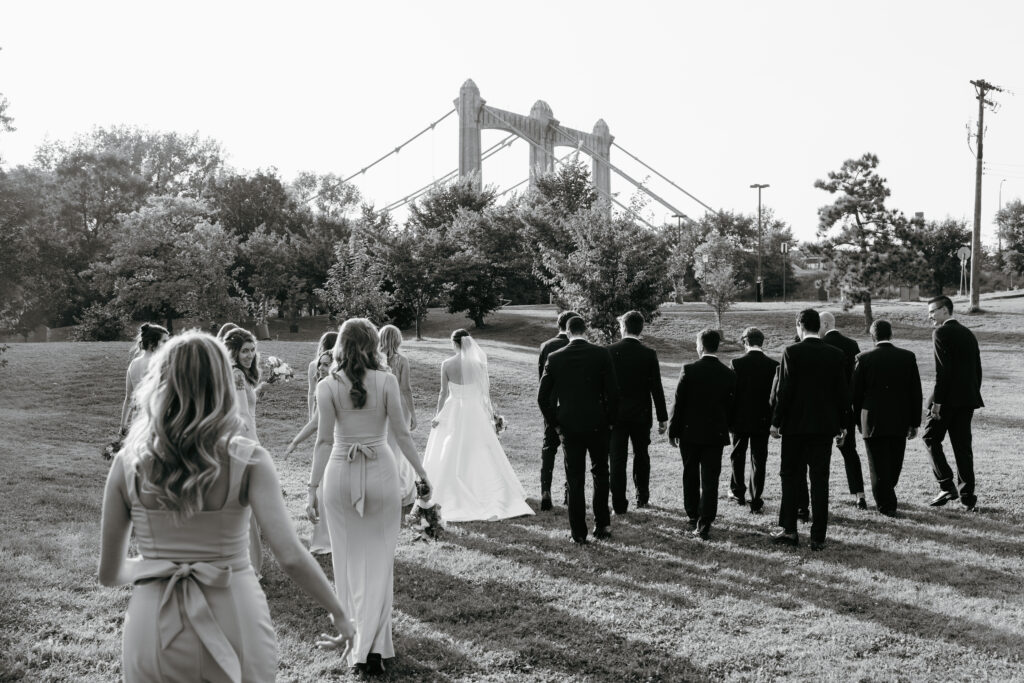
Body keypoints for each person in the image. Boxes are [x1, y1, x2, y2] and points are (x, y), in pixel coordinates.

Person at [98, 331, 354, 682]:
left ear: (160, 383)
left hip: (153, 624)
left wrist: (160, 565)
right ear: (221, 382)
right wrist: (339, 611)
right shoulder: (249, 459)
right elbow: (290, 555)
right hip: (235, 613)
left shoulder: (129, 462)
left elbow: (110, 574)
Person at [306, 318, 432, 675]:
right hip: (381, 471)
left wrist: (312, 489)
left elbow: (324, 441)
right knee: (379, 562)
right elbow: (403, 435)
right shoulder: (387, 380)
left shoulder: (327, 385)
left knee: (346, 564)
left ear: (341, 346)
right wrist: (421, 474)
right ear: (373, 344)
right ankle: (374, 646)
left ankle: (357, 643)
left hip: (339, 475)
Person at [422, 329, 534, 521]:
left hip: (454, 410)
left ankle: (451, 489)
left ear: (453, 343)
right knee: (481, 449)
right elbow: (485, 394)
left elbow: (442, 393)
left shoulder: (447, 364)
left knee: (450, 449)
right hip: (475, 411)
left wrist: (438, 415)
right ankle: (490, 490)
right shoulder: (479, 364)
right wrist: (491, 415)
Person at [770, 309, 849, 551]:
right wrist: (842, 425)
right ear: (819, 327)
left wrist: (776, 422)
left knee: (791, 476)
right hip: (824, 428)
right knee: (820, 480)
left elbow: (784, 391)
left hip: (795, 427)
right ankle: (818, 536)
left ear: (800, 326)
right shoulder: (836, 354)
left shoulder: (791, 352)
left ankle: (790, 530)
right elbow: (842, 394)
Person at [538, 316, 618, 544]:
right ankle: (602, 524)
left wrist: (555, 423)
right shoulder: (602, 354)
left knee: (575, 479)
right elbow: (613, 393)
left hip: (569, 426)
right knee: (601, 473)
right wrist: (610, 421)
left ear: (568, 332)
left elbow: (542, 397)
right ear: (586, 330)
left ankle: (578, 533)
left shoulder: (554, 358)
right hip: (598, 424)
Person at [668, 329, 736, 540]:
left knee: (690, 473)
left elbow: (678, 403)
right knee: (710, 478)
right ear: (718, 346)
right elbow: (731, 406)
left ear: (700, 345)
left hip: (689, 433)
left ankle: (692, 514)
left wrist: (673, 430)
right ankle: (706, 520)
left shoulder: (689, 370)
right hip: (715, 434)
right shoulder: (729, 374)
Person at [851, 320, 922, 516]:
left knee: (877, 465)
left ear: (872, 337)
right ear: (891, 334)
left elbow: (855, 395)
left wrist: (858, 420)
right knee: (894, 463)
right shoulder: (907, 357)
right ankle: (887, 503)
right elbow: (915, 392)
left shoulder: (863, 359)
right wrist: (915, 422)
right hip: (899, 418)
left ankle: (885, 501)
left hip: (871, 418)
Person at [923, 295, 984, 511]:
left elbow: (943, 371)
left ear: (945, 310)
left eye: (932, 311)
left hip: (947, 400)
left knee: (930, 437)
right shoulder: (968, 334)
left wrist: (937, 402)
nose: (929, 315)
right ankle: (968, 499)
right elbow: (977, 370)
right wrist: (971, 393)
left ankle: (946, 485)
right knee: (962, 448)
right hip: (967, 399)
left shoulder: (940, 332)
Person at [606, 310, 667, 512]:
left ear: (623, 327)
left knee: (617, 459)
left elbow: (603, 387)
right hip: (641, 415)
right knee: (642, 455)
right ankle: (642, 497)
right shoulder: (649, 354)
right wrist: (662, 418)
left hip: (615, 416)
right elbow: (656, 388)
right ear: (641, 329)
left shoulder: (609, 351)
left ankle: (618, 504)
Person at [222, 327, 265, 574]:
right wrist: (254, 446)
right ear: (234, 351)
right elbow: (241, 414)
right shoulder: (236, 374)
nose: (249, 355)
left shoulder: (234, 373)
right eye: (244, 350)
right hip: (243, 443)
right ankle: (249, 566)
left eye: (252, 350)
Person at [285, 347, 335, 555]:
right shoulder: (322, 386)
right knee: (323, 493)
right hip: (326, 444)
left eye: (326, 364)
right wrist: (295, 442)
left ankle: (334, 538)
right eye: (320, 363)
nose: (321, 367)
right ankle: (326, 537)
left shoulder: (332, 387)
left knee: (326, 492)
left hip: (335, 446)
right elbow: (315, 422)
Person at [728, 327, 779, 513]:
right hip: (762, 420)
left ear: (745, 342)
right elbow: (776, 396)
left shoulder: (736, 363)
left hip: (740, 419)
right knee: (759, 459)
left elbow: (730, 394)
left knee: (738, 455)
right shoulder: (773, 365)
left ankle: (738, 492)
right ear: (762, 342)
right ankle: (756, 498)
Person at [820, 312, 867, 510]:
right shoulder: (852, 344)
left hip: (824, 407)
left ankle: (820, 494)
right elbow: (856, 379)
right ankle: (859, 494)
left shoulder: (819, 346)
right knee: (850, 451)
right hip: (846, 407)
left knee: (821, 454)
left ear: (825, 323)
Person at [536, 310, 577, 510]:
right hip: (573, 407)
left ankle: (546, 491)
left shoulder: (546, 346)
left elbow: (541, 379)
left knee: (548, 449)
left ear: (559, 325)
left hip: (551, 406)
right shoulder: (577, 345)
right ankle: (570, 492)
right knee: (573, 452)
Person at [379, 325, 418, 507]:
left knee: (383, 444)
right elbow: (406, 389)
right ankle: (400, 487)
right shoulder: (402, 360)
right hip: (399, 405)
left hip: (379, 405)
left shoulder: (373, 360)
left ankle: (382, 486)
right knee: (399, 446)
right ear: (398, 339)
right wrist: (413, 413)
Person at [119, 323, 169, 434]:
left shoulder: (134, 363)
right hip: (157, 421)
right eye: (164, 341)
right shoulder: (161, 364)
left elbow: (129, 397)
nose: (168, 345)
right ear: (152, 343)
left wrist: (123, 425)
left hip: (138, 422)